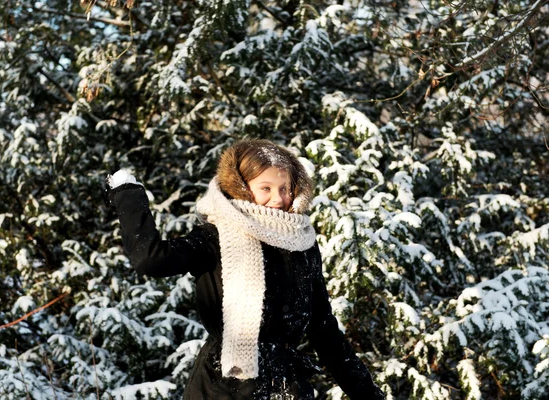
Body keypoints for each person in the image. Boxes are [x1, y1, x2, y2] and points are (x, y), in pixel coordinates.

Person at [107, 139, 384, 400]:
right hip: (223, 387)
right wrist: (127, 194)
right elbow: (151, 259)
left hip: (287, 386)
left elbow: (324, 331)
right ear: (240, 186)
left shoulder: (303, 244)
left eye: (285, 188)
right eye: (266, 188)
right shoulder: (215, 237)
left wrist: (368, 394)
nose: (278, 199)